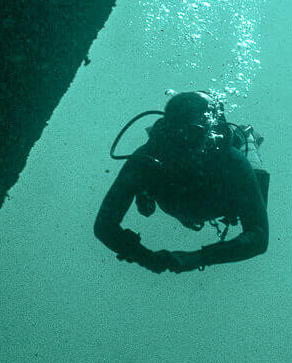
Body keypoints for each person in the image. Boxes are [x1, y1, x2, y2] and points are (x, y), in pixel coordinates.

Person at [94, 91, 269, 273]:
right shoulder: (146, 159)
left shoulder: (232, 162)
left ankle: (247, 138)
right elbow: (104, 226)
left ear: (209, 134)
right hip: (180, 200)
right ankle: (144, 191)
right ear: (167, 130)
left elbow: (259, 237)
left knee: (255, 178)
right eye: (178, 134)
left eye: (193, 135)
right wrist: (144, 257)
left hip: (222, 202)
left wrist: (198, 258)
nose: (185, 145)